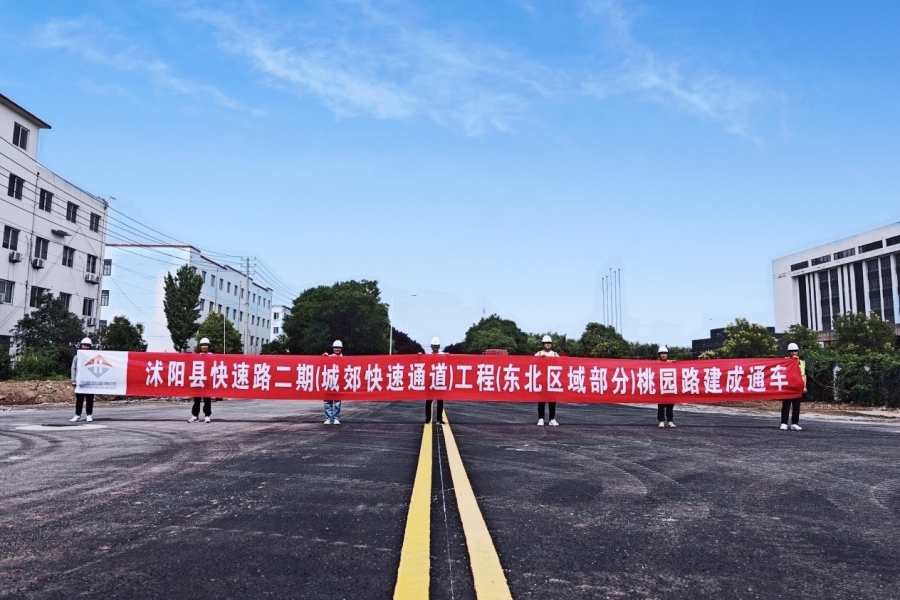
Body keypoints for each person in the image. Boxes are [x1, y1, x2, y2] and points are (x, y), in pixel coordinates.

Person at [781, 342, 807, 431]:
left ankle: (794, 423)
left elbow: (803, 375)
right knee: (786, 406)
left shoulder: (802, 362)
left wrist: (804, 386)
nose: (793, 352)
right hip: (787, 386)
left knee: (796, 406)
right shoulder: (785, 361)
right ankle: (784, 423)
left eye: (795, 351)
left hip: (797, 387)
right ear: (788, 352)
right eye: (791, 351)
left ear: (797, 351)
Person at [535, 335, 560, 426]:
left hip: (552, 380)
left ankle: (552, 419)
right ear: (543, 344)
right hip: (541, 380)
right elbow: (532, 365)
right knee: (541, 400)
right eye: (546, 343)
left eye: (549, 343)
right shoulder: (538, 354)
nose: (548, 344)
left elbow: (561, 365)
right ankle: (541, 418)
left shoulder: (555, 354)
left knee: (552, 401)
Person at [70, 337, 95, 422]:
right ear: (81, 346)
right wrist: (73, 380)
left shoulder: (93, 357)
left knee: (89, 399)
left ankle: (89, 415)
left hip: (90, 382)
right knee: (79, 399)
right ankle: (77, 415)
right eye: (84, 345)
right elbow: (73, 368)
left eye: (88, 346)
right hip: (79, 382)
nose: (86, 347)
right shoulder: (77, 357)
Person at [188, 338, 213, 423]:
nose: (204, 346)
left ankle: (207, 415)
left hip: (207, 381)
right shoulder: (197, 356)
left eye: (206, 345)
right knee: (197, 399)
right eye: (202, 345)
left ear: (208, 346)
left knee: (207, 399)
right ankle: (195, 416)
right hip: (198, 380)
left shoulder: (211, 356)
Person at [323, 340, 344, 425]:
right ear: (333, 348)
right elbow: (321, 363)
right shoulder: (329, 357)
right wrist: (324, 357)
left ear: (341, 348)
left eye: (339, 348)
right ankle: (328, 418)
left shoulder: (344, 359)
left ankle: (336, 418)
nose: (337, 349)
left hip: (338, 383)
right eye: (335, 347)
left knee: (337, 402)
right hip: (329, 381)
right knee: (327, 401)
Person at [425, 337, 445, 424]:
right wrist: (418, 356)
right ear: (431, 346)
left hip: (440, 381)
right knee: (428, 401)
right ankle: (427, 419)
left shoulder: (443, 355)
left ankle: (439, 419)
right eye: (434, 346)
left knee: (440, 401)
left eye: (436, 346)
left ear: (439, 346)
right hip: (430, 382)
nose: (435, 347)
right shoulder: (427, 355)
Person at [656, 346, 676, 428]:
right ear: (659, 355)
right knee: (661, 405)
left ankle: (670, 421)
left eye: (665, 353)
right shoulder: (656, 363)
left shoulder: (671, 363)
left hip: (669, 387)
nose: (663, 355)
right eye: (662, 353)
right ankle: (661, 421)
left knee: (670, 405)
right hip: (660, 387)